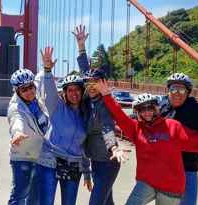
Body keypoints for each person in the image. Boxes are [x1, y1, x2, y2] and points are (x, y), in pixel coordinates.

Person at [95, 80, 198, 205]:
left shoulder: (172, 126)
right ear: (137, 113)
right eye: (142, 109)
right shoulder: (136, 129)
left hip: (170, 186)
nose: (147, 112)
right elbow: (119, 116)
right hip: (146, 182)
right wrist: (106, 95)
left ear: (156, 108)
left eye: (150, 108)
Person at [74, 25, 126, 205]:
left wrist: (114, 148)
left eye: (96, 82)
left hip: (108, 161)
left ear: (103, 83)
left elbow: (106, 127)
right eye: (89, 82)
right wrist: (81, 47)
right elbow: (85, 71)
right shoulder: (87, 98)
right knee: (106, 201)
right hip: (95, 161)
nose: (91, 85)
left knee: (96, 202)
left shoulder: (104, 104)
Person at [34, 47, 92, 205]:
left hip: (73, 164)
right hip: (50, 161)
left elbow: (84, 147)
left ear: (82, 91)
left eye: (77, 90)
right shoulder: (56, 106)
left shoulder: (86, 114)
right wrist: (47, 70)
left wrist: (87, 173)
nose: (74, 93)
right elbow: (50, 90)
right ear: (64, 93)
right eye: (70, 90)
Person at [160, 73, 198, 205]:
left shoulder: (197, 110)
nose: (177, 93)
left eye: (181, 90)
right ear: (168, 91)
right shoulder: (162, 108)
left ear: (188, 92)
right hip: (165, 169)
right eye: (173, 89)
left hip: (188, 169)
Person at [7, 68, 48, 205]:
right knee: (19, 197)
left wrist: (46, 67)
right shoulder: (16, 107)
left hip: (40, 156)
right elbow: (16, 120)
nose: (29, 91)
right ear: (17, 91)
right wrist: (17, 132)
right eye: (24, 89)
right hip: (23, 157)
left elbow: (40, 78)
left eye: (31, 87)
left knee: (34, 198)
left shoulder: (36, 99)